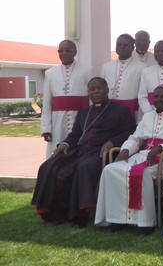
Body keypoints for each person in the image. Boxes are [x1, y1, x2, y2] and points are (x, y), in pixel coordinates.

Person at [32, 77, 136, 227]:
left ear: (107, 90)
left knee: (84, 168)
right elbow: (75, 135)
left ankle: (79, 216)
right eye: (92, 89)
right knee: (49, 166)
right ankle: (56, 214)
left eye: (99, 88)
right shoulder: (84, 113)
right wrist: (65, 143)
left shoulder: (121, 111)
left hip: (102, 152)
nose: (96, 92)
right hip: (80, 150)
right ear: (89, 93)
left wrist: (111, 142)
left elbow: (128, 132)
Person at [95, 85, 163, 232]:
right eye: (156, 97)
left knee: (142, 174)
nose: (159, 100)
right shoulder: (147, 116)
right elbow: (136, 138)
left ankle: (145, 223)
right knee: (110, 169)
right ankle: (117, 219)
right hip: (142, 155)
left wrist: (160, 148)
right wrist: (125, 150)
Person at [41, 40, 90, 159]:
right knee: (56, 155)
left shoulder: (87, 70)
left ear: (75, 52)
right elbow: (47, 103)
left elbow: (91, 100)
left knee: (79, 152)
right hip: (57, 122)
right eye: (60, 51)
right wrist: (46, 128)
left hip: (79, 119)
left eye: (68, 50)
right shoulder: (50, 73)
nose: (64, 53)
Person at [101, 34, 146, 120]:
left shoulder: (142, 67)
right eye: (119, 45)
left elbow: (143, 94)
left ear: (133, 48)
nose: (121, 47)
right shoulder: (106, 67)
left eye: (125, 45)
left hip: (131, 111)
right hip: (109, 112)